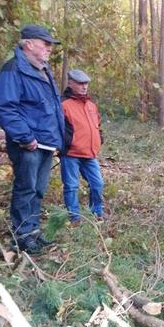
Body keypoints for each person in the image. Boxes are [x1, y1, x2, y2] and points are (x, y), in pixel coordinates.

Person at [0, 25, 64, 255]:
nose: (49, 49)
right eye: (45, 44)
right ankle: (21, 235)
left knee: (39, 189)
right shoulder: (13, 69)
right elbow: (5, 108)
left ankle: (32, 231)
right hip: (29, 145)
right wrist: (25, 137)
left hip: (46, 142)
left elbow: (51, 107)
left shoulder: (43, 69)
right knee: (26, 188)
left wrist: (59, 138)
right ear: (29, 43)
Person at [60, 69, 105, 223]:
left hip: (90, 154)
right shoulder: (63, 104)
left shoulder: (91, 105)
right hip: (71, 154)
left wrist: (100, 138)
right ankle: (74, 218)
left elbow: (97, 125)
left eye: (86, 83)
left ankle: (96, 213)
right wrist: (66, 144)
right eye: (80, 83)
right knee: (71, 186)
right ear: (71, 83)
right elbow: (56, 128)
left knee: (97, 183)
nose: (84, 86)